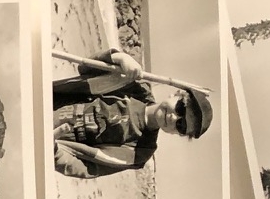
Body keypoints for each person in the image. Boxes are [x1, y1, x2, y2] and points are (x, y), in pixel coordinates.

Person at [51, 49, 212, 179]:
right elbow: (86, 67)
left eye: (181, 125)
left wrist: (53, 151)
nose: (173, 117)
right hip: (47, 99)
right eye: (180, 108)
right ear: (176, 94)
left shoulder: (141, 151)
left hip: (50, 140)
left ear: (177, 133)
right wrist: (119, 58)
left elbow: (87, 168)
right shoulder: (136, 86)